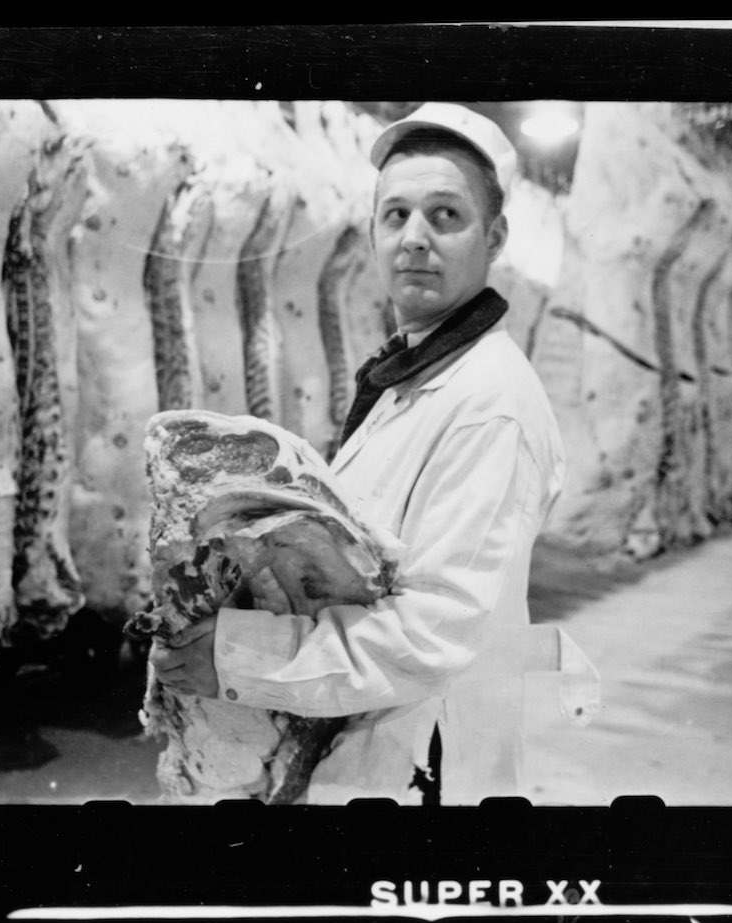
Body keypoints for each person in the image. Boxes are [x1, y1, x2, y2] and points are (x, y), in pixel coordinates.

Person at [151, 102, 572, 804]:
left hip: (420, 770)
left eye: (446, 216)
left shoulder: (489, 405)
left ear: (494, 236)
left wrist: (234, 655)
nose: (414, 239)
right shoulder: (412, 380)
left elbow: (431, 634)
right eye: (396, 215)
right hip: (363, 750)